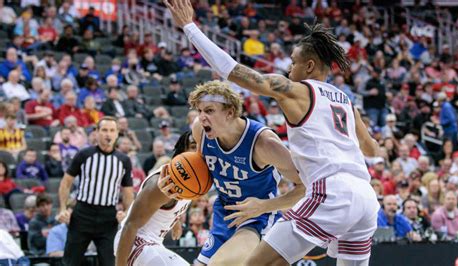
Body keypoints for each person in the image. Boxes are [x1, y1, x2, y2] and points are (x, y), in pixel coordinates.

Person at [164, 1, 379, 265]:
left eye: (293, 63)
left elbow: (233, 71)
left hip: (331, 190)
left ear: (309, 66)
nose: (289, 70)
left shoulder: (296, 90)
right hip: (366, 197)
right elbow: (372, 149)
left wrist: (189, 28)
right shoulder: (346, 102)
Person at [162, 80, 304, 265]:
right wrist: (177, 194)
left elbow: (307, 186)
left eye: (210, 110)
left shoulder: (264, 143)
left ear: (230, 112)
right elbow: (198, 175)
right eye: (200, 111)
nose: (202, 117)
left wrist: (264, 206)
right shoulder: (200, 130)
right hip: (223, 213)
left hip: (256, 217)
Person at [57, 116, 135, 266]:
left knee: (110, 262)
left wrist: (126, 213)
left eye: (112, 130)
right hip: (82, 214)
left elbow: (128, 192)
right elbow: (66, 182)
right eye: (104, 130)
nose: (108, 134)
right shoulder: (84, 154)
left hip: (108, 217)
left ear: (117, 133)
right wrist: (62, 208)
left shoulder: (124, 160)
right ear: (97, 132)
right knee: (70, 261)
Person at [114, 131, 196, 266]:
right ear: (182, 152)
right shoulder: (164, 182)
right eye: (193, 146)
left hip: (154, 242)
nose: (199, 151)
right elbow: (130, 225)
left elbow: (167, 205)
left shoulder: (194, 179)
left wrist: (176, 223)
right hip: (135, 241)